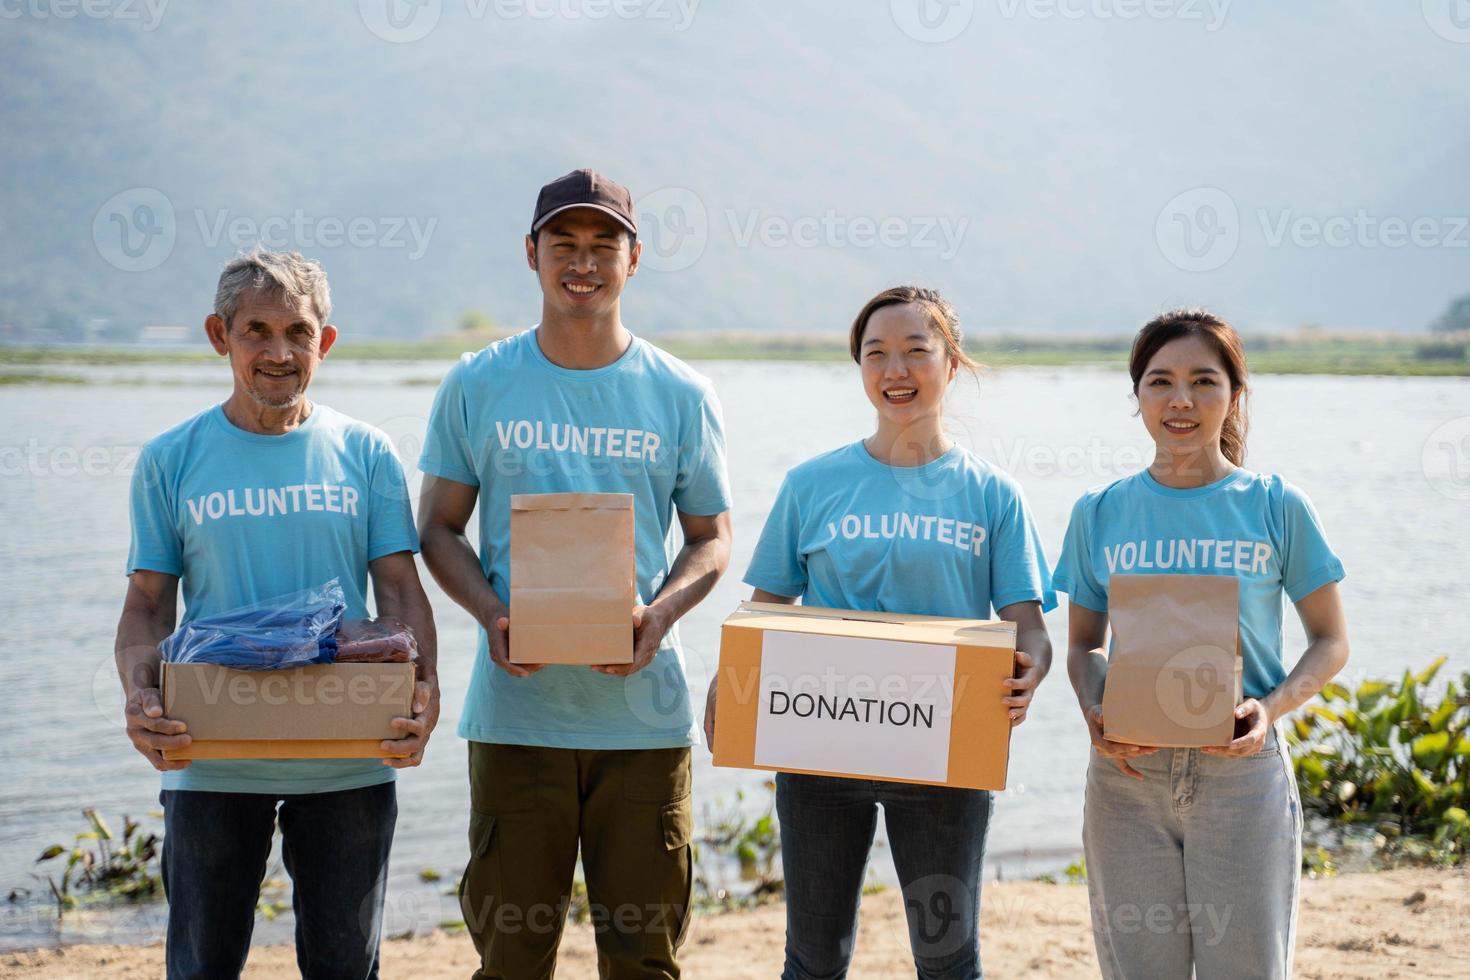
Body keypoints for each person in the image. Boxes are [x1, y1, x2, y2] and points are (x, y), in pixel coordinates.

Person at [416, 169, 733, 980]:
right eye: (565, 243)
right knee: (513, 958)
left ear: (634, 260)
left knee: (644, 962)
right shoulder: (476, 382)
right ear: (532, 253)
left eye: (604, 244)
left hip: (643, 722)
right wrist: (492, 616)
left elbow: (712, 538)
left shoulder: (681, 393)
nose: (582, 262)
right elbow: (439, 529)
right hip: (518, 717)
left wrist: (658, 617)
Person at [706, 285, 1055, 980]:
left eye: (915, 351)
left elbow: (1029, 628)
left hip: (947, 751)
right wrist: (728, 684)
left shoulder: (993, 493)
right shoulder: (812, 484)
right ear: (860, 367)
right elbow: (764, 607)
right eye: (876, 353)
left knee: (948, 958)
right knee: (814, 958)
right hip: (818, 746)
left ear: (950, 364)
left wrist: (1029, 672)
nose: (896, 370)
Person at [116, 246, 439, 980]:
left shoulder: (366, 452)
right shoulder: (172, 458)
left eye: (297, 332)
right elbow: (146, 604)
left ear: (325, 342)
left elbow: (399, 592)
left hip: (349, 755)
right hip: (210, 755)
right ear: (218, 335)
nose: (277, 351)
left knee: (345, 967)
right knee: (201, 968)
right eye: (256, 330)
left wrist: (426, 693)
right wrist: (140, 696)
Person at [1054, 308, 1351, 979]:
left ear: (1234, 395)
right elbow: (1081, 646)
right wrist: (1096, 713)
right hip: (1126, 778)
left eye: (1203, 381)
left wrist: (1269, 711)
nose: (1181, 399)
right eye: (1159, 381)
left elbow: (1331, 641)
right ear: (1137, 398)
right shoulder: (1098, 512)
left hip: (1241, 776)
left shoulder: (1277, 505)